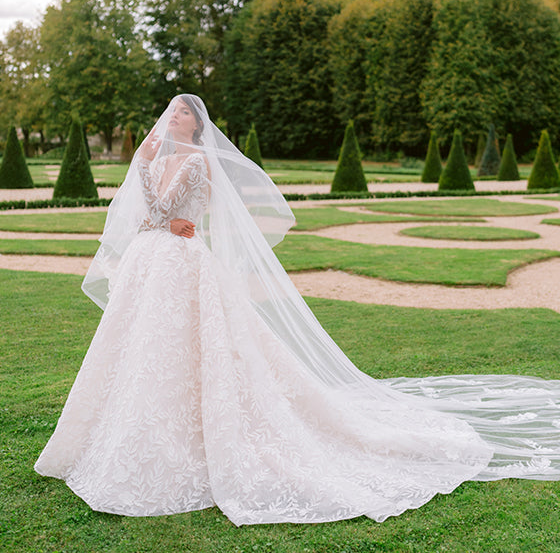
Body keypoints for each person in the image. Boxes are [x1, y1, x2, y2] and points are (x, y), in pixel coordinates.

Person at [35, 95, 560, 525]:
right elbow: (149, 216)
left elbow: (175, 211)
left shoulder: (197, 161)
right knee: (142, 350)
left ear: (199, 126)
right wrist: (145, 166)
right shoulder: (155, 159)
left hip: (184, 262)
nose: (175, 118)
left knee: (197, 346)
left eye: (185, 114)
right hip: (153, 263)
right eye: (171, 112)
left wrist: (153, 180)